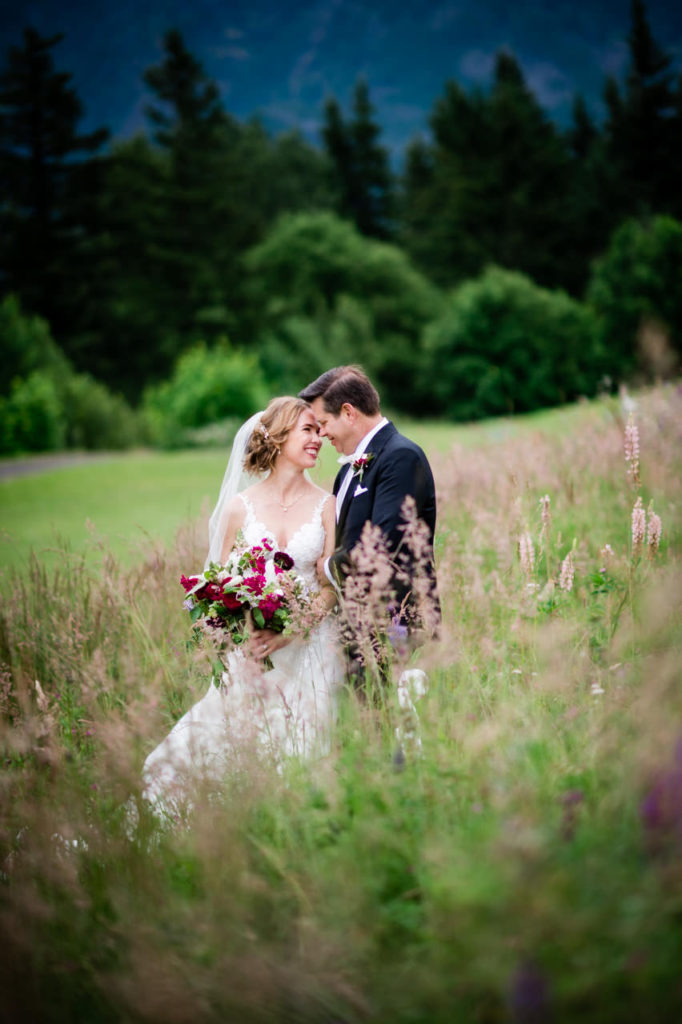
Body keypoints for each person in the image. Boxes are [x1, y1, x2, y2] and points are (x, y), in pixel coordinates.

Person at [141, 397, 344, 815]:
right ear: (281, 434)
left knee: (300, 754)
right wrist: (244, 628)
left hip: (310, 652)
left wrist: (290, 631)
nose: (319, 438)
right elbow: (217, 586)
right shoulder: (240, 508)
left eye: (319, 430)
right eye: (308, 429)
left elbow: (329, 589)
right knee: (231, 749)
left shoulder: (328, 506)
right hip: (252, 655)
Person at [299, 366, 440, 684]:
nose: (321, 435)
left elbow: (383, 545)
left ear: (348, 412)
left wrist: (326, 568)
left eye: (323, 423)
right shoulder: (346, 471)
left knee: (388, 723)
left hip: (393, 624)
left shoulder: (401, 457)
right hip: (356, 628)